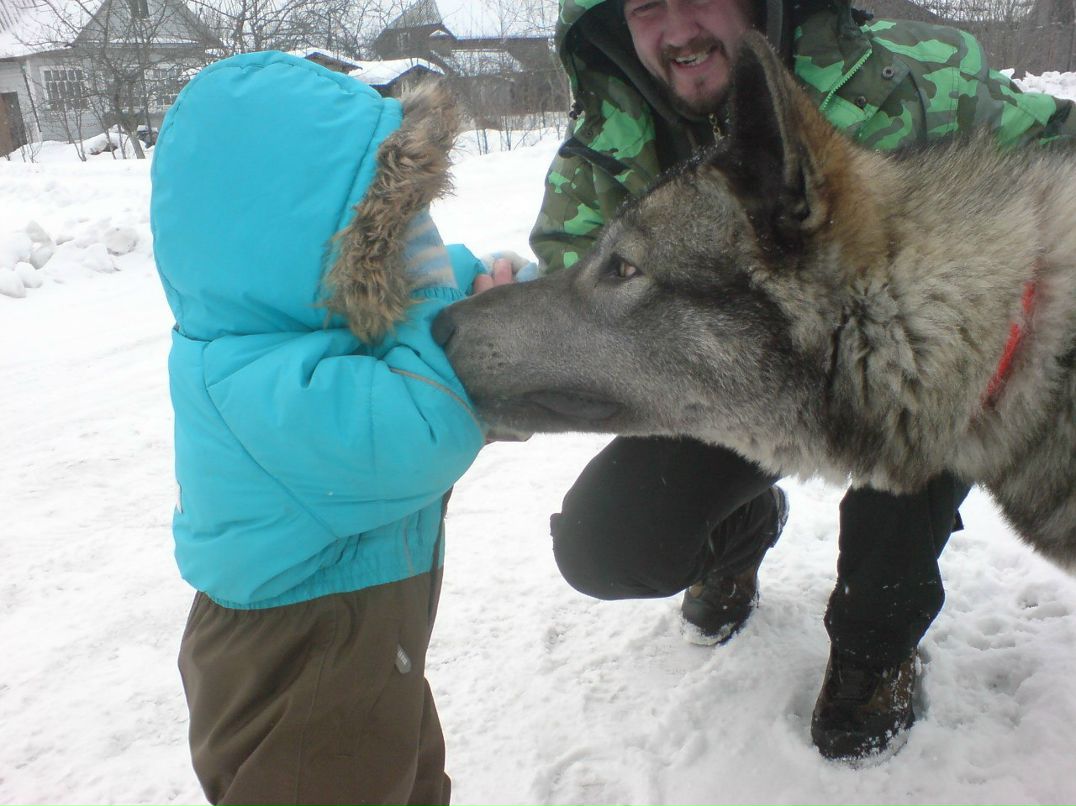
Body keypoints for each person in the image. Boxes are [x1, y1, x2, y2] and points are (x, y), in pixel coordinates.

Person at [526, 0, 1076, 761]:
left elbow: (1057, 134)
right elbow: (571, 288)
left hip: (897, 375)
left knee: (907, 416)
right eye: (647, 5)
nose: (677, 28)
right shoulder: (613, 138)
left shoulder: (912, 73)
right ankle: (743, 533)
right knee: (608, 543)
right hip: (739, 387)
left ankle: (874, 643)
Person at [152, 51, 492, 804]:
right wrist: (441, 290)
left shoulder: (295, 322)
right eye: (395, 232)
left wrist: (473, 280)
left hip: (360, 648)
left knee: (409, 779)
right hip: (300, 677)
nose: (415, 244)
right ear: (289, 244)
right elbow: (429, 420)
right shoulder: (245, 380)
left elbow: (402, 307)